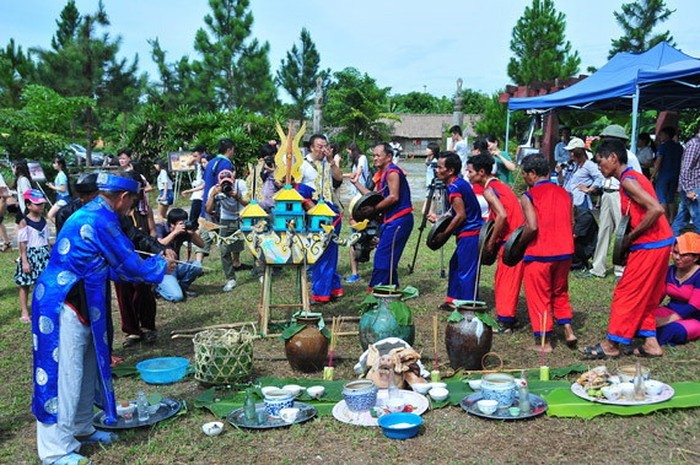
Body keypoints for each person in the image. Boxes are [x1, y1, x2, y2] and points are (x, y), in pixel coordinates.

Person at [32, 172, 173, 465]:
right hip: (64, 301)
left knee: (87, 366)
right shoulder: (99, 220)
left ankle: (82, 427)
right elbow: (127, 263)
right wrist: (161, 265)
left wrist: (156, 265)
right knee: (63, 374)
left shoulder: (99, 214)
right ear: (123, 198)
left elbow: (113, 266)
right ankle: (55, 450)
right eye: (132, 200)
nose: (132, 206)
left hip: (83, 299)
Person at [581, 138, 673, 359]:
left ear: (613, 158)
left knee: (627, 292)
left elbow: (656, 210)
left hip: (650, 244)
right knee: (648, 295)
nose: (600, 167)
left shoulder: (629, 181)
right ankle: (651, 343)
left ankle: (612, 344)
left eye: (601, 161)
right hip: (661, 243)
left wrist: (631, 236)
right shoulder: (633, 177)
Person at [519, 154, 577, 352]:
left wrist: (519, 243)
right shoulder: (565, 193)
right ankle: (569, 330)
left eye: (525, 174)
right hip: (565, 251)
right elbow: (572, 223)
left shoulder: (528, 196)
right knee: (560, 292)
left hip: (540, 253)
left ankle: (544, 343)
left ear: (533, 174)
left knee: (539, 297)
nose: (524, 179)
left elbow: (532, 227)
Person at [466, 153, 525, 332]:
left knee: (505, 280)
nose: (467, 175)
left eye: (470, 171)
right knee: (505, 278)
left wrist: (491, 242)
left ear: (481, 172)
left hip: (512, 241)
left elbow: (502, 215)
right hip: (515, 237)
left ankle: (505, 322)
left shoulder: (489, 190)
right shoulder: (499, 184)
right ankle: (509, 318)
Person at [350, 142, 414, 289]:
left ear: (389, 157)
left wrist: (373, 210)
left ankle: (377, 291)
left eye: (378, 155)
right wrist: (356, 184)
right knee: (387, 257)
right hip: (391, 221)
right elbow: (373, 197)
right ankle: (392, 290)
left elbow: (393, 197)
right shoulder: (382, 174)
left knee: (382, 258)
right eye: (373, 155)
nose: (375, 158)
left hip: (399, 220)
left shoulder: (392, 173)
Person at [583, 124, 642, 279]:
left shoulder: (629, 156)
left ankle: (621, 269)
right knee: (604, 230)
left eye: (608, 138)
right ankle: (598, 268)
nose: (604, 141)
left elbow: (637, 177)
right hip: (607, 193)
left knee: (622, 232)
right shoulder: (607, 156)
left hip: (620, 193)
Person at [430, 152, 483, 309]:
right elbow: (455, 211)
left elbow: (460, 215)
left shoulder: (455, 187)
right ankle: (452, 300)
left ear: (450, 170)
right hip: (467, 233)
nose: (437, 170)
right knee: (455, 264)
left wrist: (443, 234)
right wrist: (440, 219)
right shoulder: (458, 183)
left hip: (471, 233)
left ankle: (468, 307)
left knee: (466, 272)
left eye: (440, 167)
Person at [300, 134, 344, 303]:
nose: (323, 150)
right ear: (311, 147)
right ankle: (321, 290)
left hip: (331, 210)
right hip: (314, 213)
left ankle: (330, 289)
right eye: (319, 146)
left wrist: (332, 161)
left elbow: (339, 178)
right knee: (319, 252)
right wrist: (312, 210)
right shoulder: (303, 165)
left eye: (325, 146)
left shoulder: (328, 163)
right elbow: (297, 190)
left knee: (331, 250)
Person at [559, 140, 604, 271]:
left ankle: (580, 257)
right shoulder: (574, 166)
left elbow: (600, 178)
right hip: (570, 201)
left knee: (580, 231)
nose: (569, 154)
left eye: (571, 151)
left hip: (580, 202)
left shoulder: (589, 165)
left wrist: (590, 189)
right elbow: (563, 182)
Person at [205, 168, 249, 292]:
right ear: (219, 183)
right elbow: (208, 210)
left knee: (253, 245)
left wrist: (237, 197)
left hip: (243, 217)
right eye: (224, 183)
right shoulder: (214, 189)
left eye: (229, 183)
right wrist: (213, 195)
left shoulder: (241, 185)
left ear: (233, 180)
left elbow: (249, 203)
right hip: (226, 219)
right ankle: (230, 278)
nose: (227, 186)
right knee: (224, 250)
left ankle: (260, 272)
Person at [653, 232, 700, 346]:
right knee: (639, 319)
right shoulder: (670, 271)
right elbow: (659, 295)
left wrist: (665, 321)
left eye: (683, 255)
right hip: (671, 310)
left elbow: (693, 306)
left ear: (695, 257)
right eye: (675, 252)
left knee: (671, 330)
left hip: (695, 317)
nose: (677, 257)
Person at [14, 189, 50, 324]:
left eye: (42, 204)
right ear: (28, 205)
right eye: (37, 204)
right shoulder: (24, 222)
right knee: (25, 284)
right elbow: (22, 243)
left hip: (43, 254)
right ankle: (24, 310)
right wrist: (24, 261)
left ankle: (41, 308)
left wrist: (49, 254)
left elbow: (46, 240)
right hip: (30, 255)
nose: (41, 206)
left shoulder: (44, 220)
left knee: (42, 282)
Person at [156, 208, 205, 301]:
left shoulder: (183, 232)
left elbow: (202, 245)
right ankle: (157, 289)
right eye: (180, 223)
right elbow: (159, 244)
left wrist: (192, 233)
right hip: (163, 270)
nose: (183, 225)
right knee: (177, 297)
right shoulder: (160, 228)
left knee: (197, 265)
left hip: (176, 266)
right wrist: (174, 233)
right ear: (172, 224)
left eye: (184, 222)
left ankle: (182, 287)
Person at [344, 141, 370, 283]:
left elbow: (358, 173)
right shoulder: (356, 161)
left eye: (348, 151)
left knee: (365, 235)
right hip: (355, 201)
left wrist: (348, 176)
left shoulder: (362, 158)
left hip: (363, 201)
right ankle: (355, 272)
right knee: (353, 237)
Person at [672, 124, 700, 235]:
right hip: (692, 187)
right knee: (698, 218)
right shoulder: (694, 145)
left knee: (682, 218)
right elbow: (685, 169)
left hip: (693, 186)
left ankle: (671, 242)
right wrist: (689, 190)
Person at [652, 126, 684, 223]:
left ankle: (664, 221)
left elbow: (658, 161)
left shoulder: (663, 146)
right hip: (675, 175)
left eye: (661, 134)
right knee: (671, 198)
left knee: (662, 198)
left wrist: (653, 175)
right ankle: (672, 219)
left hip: (664, 175)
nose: (660, 137)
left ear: (666, 135)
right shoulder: (679, 147)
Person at [180, 145, 207, 221]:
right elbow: (188, 163)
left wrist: (189, 191)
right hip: (197, 192)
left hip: (200, 194)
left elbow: (203, 185)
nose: (194, 158)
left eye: (196, 156)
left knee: (194, 219)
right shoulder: (199, 164)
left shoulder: (206, 166)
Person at [46, 157, 71, 224]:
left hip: (62, 200)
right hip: (62, 199)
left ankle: (60, 228)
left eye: (55, 163)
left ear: (60, 165)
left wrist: (52, 187)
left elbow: (63, 189)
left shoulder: (61, 175)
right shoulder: (61, 174)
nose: (53, 165)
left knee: (50, 215)